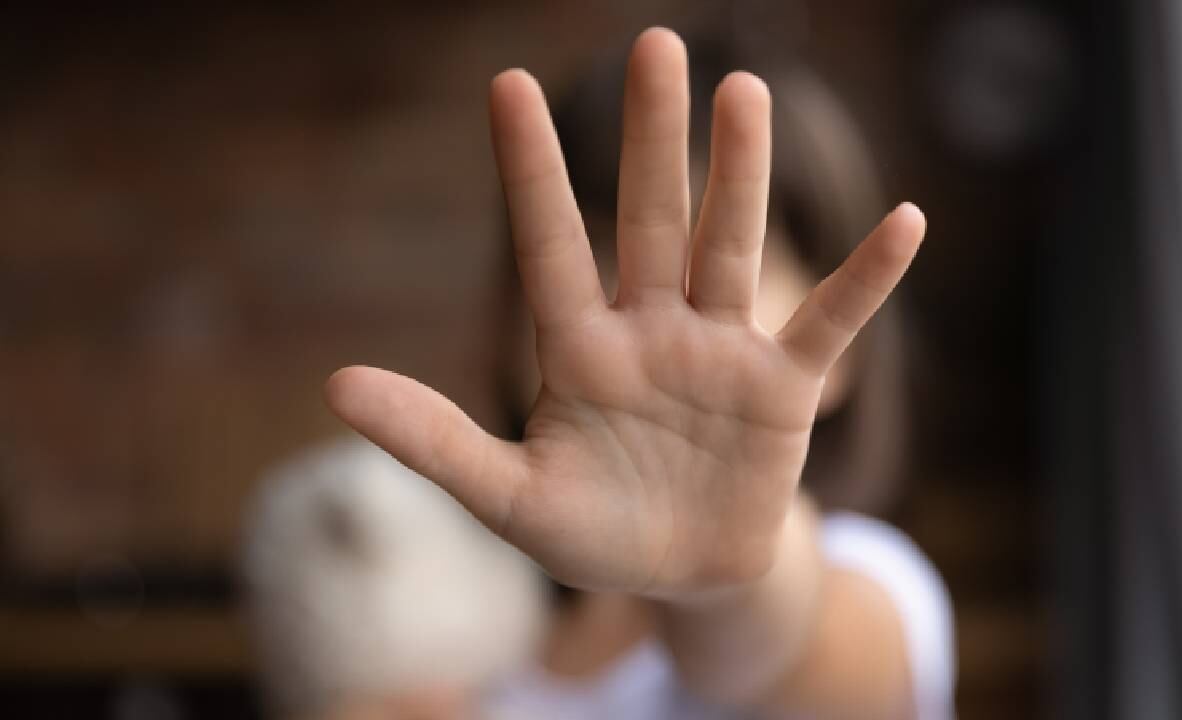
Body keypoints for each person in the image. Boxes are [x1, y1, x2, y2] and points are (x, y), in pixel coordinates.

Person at [311, 26, 952, 720]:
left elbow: (808, 667)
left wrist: (724, 583)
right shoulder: (481, 651)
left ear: (846, 347)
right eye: (599, 256)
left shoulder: (871, 583)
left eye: (715, 269)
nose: (650, 324)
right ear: (505, 316)